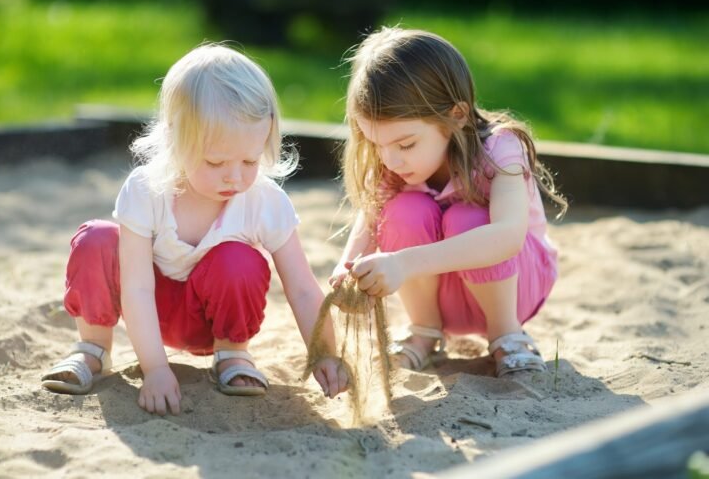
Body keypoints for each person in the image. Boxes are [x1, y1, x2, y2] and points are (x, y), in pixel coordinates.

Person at [41, 43, 348, 414]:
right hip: (149, 309)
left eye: (250, 160)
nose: (235, 176)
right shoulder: (146, 189)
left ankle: (232, 354)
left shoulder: (263, 201)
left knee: (239, 259)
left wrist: (325, 354)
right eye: (216, 161)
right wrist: (155, 369)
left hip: (211, 320)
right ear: (175, 140)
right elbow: (136, 287)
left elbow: (301, 289)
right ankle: (92, 349)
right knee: (96, 238)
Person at [329, 27, 568, 377]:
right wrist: (346, 267)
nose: (390, 160)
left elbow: (507, 236)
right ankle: (424, 332)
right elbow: (369, 222)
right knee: (402, 213)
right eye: (376, 144)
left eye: (405, 144)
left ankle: (507, 336)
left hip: (516, 287)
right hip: (441, 296)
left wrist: (403, 263)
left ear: (456, 114)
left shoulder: (500, 151)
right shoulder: (392, 163)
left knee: (468, 219)